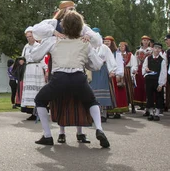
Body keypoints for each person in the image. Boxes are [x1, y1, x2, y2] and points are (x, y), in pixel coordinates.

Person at [27, 10, 109, 148]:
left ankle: (47, 136)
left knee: (40, 99)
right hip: (78, 78)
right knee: (91, 101)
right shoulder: (85, 42)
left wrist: (50, 37)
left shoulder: (54, 40)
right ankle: (99, 129)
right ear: (81, 26)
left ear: (63, 25)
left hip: (59, 79)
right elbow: (96, 65)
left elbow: (35, 57)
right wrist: (84, 60)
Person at [19, 28, 48, 119]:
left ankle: (39, 112)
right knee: (29, 91)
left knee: (37, 90)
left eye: (30, 36)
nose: (29, 38)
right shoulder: (26, 47)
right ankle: (32, 112)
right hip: (28, 69)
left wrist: (46, 70)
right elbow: (22, 58)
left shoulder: (39, 46)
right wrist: (21, 62)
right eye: (27, 37)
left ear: (34, 36)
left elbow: (43, 58)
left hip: (37, 68)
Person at [104, 36, 129, 118]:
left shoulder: (116, 53)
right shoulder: (103, 51)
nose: (106, 43)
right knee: (108, 94)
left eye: (108, 41)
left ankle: (117, 112)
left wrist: (119, 74)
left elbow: (119, 65)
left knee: (116, 94)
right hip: (106, 75)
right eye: (105, 41)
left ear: (112, 43)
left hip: (114, 75)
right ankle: (108, 111)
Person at [142, 42, 166, 121]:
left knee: (159, 96)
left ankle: (157, 113)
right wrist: (146, 70)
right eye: (155, 48)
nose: (156, 50)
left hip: (157, 80)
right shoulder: (148, 58)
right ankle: (151, 113)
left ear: (160, 50)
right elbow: (144, 67)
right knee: (149, 96)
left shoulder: (162, 60)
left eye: (158, 48)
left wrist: (161, 84)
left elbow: (163, 72)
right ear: (153, 49)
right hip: (149, 80)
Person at [118, 42, 138, 114]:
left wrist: (132, 72)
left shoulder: (130, 55)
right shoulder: (117, 54)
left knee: (129, 90)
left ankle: (132, 106)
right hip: (120, 73)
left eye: (123, 46)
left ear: (126, 47)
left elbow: (134, 64)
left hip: (127, 72)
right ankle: (122, 107)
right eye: (120, 46)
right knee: (121, 90)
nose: (121, 47)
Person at [134, 36, 152, 111]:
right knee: (140, 86)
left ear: (149, 42)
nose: (145, 42)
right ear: (141, 41)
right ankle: (140, 103)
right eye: (144, 40)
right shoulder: (138, 50)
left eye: (147, 40)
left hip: (147, 68)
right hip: (139, 68)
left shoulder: (150, 50)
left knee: (146, 86)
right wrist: (135, 69)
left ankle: (147, 103)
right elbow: (135, 60)